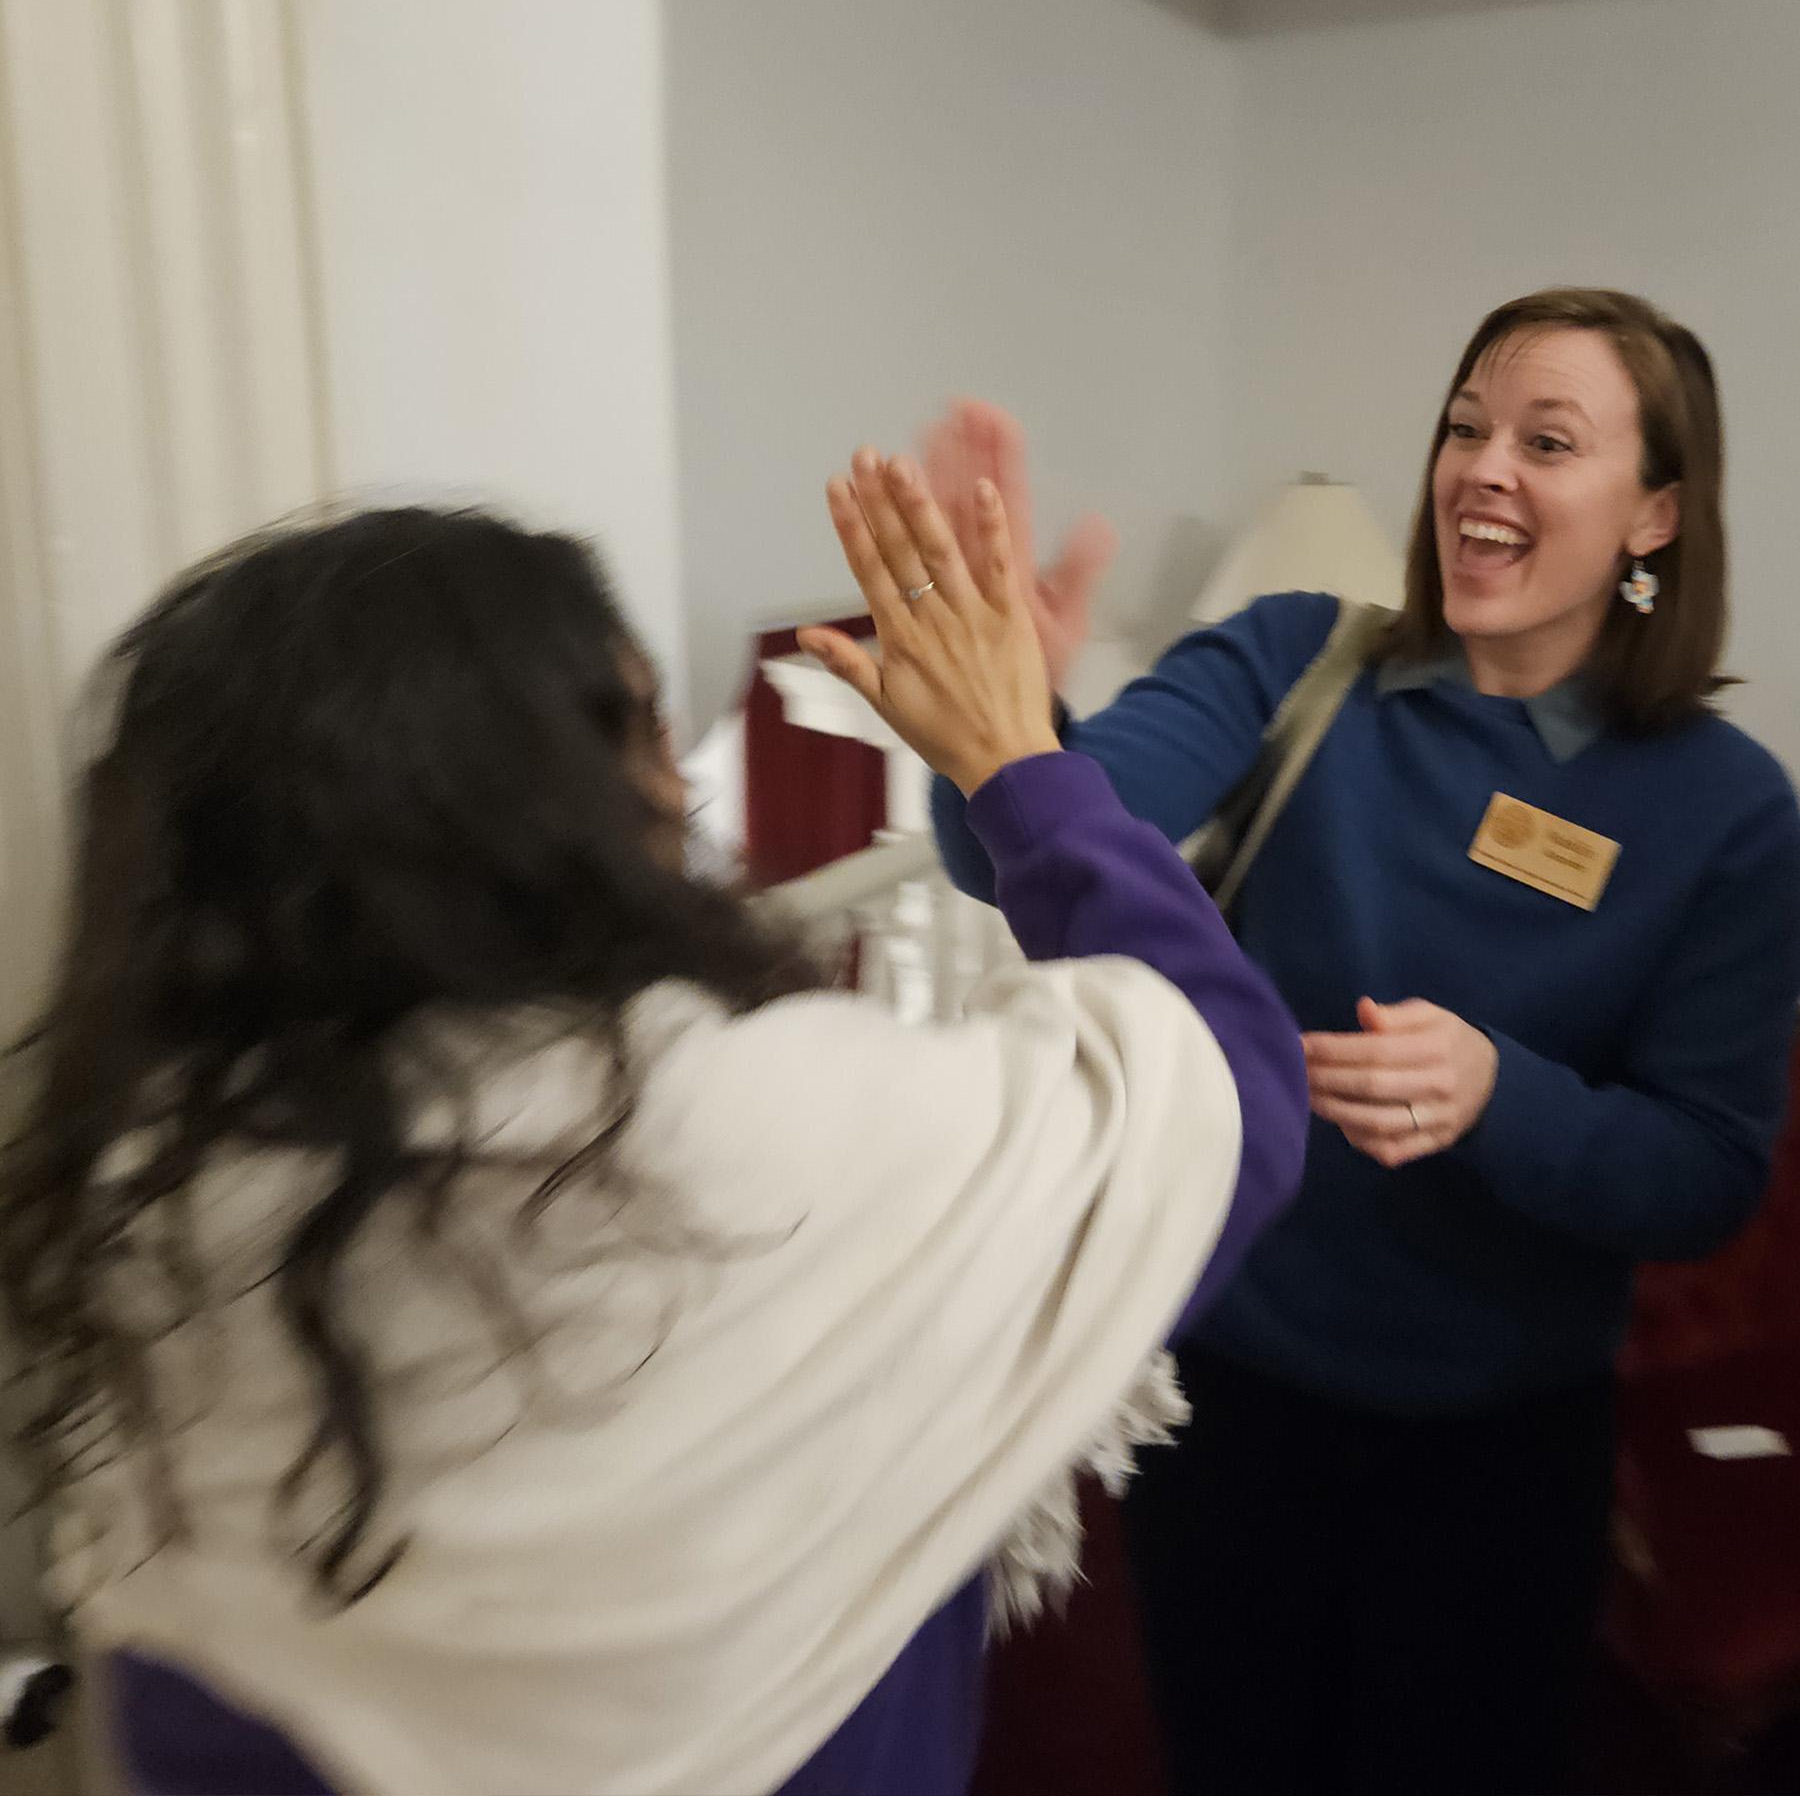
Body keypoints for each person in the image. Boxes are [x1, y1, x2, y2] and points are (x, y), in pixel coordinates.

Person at [0, 473, 1307, 1795]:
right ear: (553, 800)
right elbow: (1220, 1082)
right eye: (639, 732)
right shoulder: (764, 1136)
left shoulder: (158, 1200)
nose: (679, 788)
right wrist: (1020, 763)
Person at [925, 288, 1800, 1794]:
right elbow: (1028, 849)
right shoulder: (1298, 661)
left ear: (1654, 515)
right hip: (1231, 1396)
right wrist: (1009, 719)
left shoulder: (1729, 811)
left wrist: (1497, 1097)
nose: (1481, 467)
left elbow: (1709, 1174)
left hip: (1500, 1449)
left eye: (1547, 439)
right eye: (1465, 427)